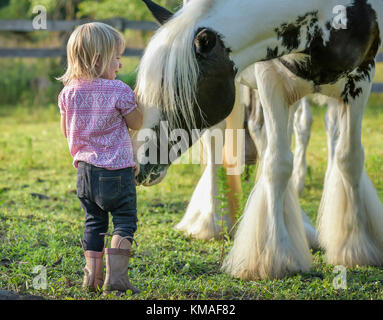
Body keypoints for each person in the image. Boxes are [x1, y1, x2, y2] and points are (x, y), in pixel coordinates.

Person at [57, 22, 143, 294]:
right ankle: (116, 281)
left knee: (94, 222)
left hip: (85, 172)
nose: (119, 65)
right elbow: (137, 123)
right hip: (117, 172)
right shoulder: (118, 90)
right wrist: (137, 103)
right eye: (116, 58)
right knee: (124, 222)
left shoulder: (68, 93)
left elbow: (66, 129)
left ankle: (91, 279)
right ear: (99, 59)